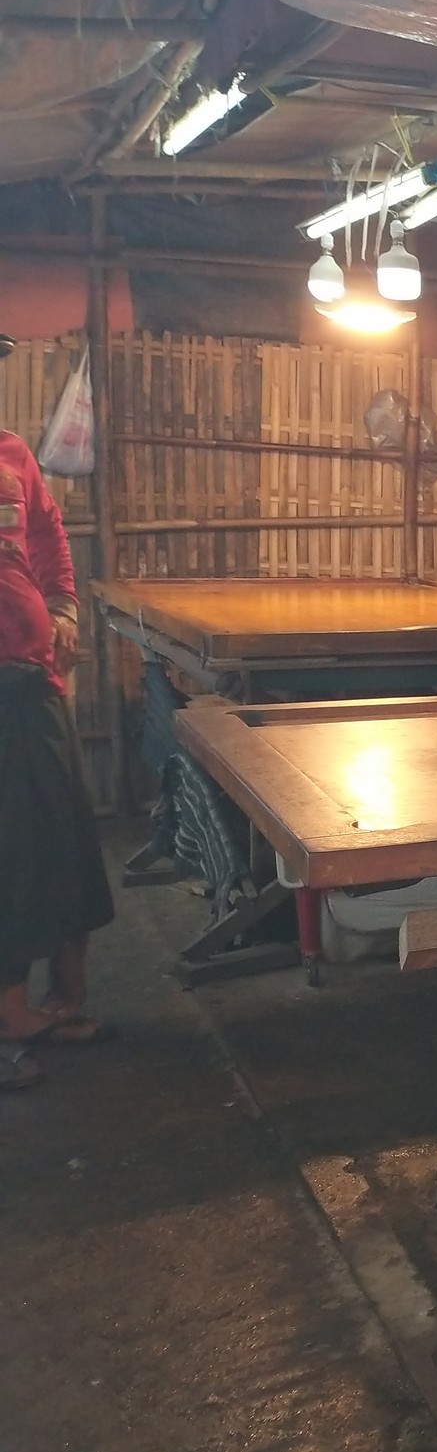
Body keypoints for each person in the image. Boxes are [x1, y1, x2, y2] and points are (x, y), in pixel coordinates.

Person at [0, 421, 116, 1090]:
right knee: (12, 850)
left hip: (33, 679)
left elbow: (45, 533)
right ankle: (12, 1013)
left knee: (62, 838)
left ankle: (56, 997)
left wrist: (64, 607)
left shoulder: (12, 453)